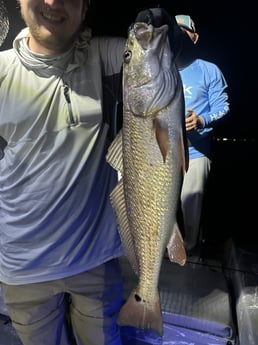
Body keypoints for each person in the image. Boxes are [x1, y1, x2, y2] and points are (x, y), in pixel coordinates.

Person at [0, 1, 178, 345]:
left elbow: (164, 50)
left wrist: (155, 18)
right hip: (23, 265)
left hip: (93, 259)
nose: (53, 3)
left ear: (84, 10)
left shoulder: (107, 57)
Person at [175, 14, 230, 256]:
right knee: (156, 209)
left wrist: (201, 120)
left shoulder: (209, 69)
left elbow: (224, 108)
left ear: (194, 38)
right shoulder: (158, 68)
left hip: (196, 153)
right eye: (172, 31)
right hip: (161, 153)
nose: (177, 35)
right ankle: (168, 251)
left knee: (190, 208)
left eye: (183, 31)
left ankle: (191, 252)